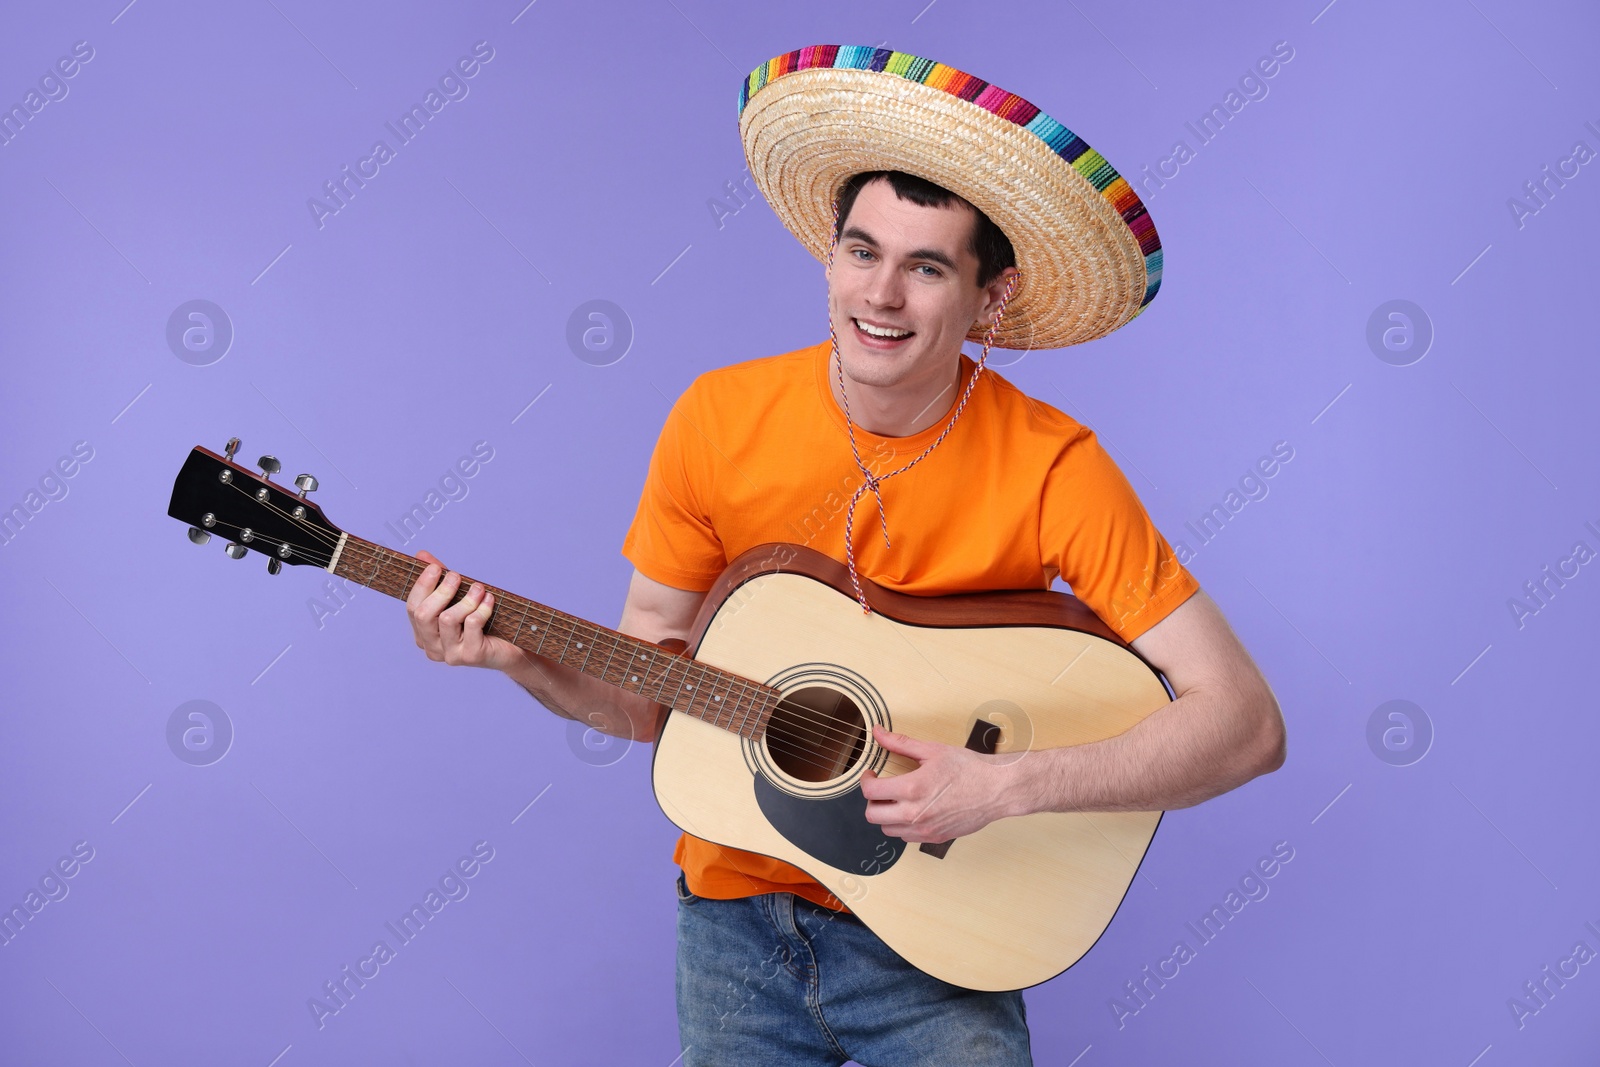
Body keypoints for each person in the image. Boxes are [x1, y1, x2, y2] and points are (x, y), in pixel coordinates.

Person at [404, 44, 1286, 1067]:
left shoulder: (1055, 466)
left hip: (947, 939)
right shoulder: (716, 418)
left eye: (925, 266)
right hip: (732, 931)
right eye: (861, 251)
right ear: (828, 255)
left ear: (989, 299)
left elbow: (1245, 725)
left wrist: (1003, 787)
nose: (882, 295)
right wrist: (522, 660)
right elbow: (652, 694)